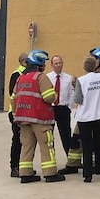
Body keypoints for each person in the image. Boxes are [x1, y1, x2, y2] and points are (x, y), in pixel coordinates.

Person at [59, 47, 100, 175]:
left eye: (94, 58)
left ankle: (94, 166)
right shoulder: (97, 77)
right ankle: (74, 163)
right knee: (77, 139)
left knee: (93, 142)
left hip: (94, 114)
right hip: (88, 113)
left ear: (99, 60)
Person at [13, 49, 63, 183]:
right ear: (39, 64)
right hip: (40, 119)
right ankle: (50, 173)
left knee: (27, 147)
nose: (45, 67)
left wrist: (15, 114)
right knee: (47, 145)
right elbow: (49, 97)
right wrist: (55, 94)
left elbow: (13, 98)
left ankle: (25, 174)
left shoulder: (20, 78)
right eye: (44, 64)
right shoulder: (40, 77)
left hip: (23, 119)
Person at [46, 55, 76, 156]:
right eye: (56, 63)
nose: (59, 65)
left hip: (63, 108)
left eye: (60, 63)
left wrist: (69, 107)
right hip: (51, 108)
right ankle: (51, 157)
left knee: (66, 135)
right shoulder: (47, 78)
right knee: (49, 136)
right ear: (52, 65)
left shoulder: (68, 78)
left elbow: (72, 93)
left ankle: (71, 159)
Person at [7, 52, 27, 178]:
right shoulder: (17, 74)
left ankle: (23, 167)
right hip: (16, 112)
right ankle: (14, 167)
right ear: (22, 62)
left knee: (26, 141)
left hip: (26, 112)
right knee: (17, 140)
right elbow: (12, 93)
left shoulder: (30, 74)